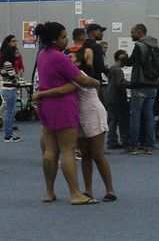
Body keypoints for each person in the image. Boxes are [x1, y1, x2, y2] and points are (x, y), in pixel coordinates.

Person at [31, 22, 99, 205]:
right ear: (54, 39)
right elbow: (81, 79)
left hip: (45, 106)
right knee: (68, 150)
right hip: (62, 106)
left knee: (50, 149)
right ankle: (75, 193)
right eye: (63, 37)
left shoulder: (41, 55)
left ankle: (49, 191)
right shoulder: (60, 58)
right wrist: (96, 82)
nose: (66, 40)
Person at [73, 39, 116, 200]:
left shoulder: (80, 75)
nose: (67, 59)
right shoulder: (69, 75)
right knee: (85, 155)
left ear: (78, 63)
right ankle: (88, 190)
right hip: (80, 116)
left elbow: (66, 89)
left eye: (71, 58)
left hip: (93, 113)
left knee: (97, 154)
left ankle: (110, 190)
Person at [125, 24, 159, 155]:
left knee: (135, 116)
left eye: (132, 32)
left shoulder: (140, 46)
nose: (131, 35)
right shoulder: (156, 45)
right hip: (153, 85)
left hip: (140, 84)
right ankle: (149, 145)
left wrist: (123, 59)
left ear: (140, 32)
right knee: (149, 116)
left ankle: (133, 145)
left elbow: (130, 62)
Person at [0, 35, 23, 142]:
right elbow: (12, 77)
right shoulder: (8, 64)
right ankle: (8, 134)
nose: (17, 54)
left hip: (8, 88)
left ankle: (10, 132)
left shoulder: (5, 64)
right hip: (10, 89)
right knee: (10, 113)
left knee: (10, 112)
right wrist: (17, 81)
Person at [104, 50, 130, 149]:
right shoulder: (118, 70)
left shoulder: (112, 68)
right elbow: (120, 84)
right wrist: (131, 84)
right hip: (119, 99)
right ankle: (125, 141)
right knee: (122, 121)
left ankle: (112, 141)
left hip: (110, 98)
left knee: (112, 121)